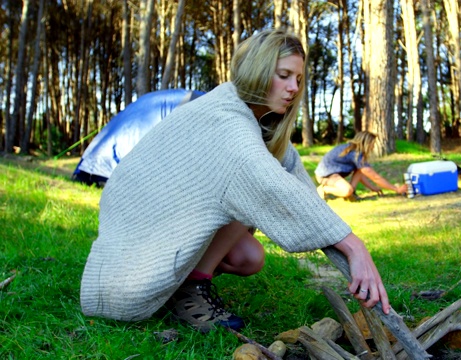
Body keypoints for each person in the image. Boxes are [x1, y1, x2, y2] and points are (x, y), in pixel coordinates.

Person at [80, 29, 390, 333]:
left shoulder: (258, 121)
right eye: (283, 75)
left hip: (165, 212)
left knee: (249, 258)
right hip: (145, 215)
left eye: (298, 78)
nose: (294, 87)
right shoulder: (227, 119)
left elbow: (299, 189)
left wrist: (335, 237)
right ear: (258, 70)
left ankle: (182, 282)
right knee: (245, 196)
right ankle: (191, 286)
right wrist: (353, 245)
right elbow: (268, 183)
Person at [315, 131, 408, 201]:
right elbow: (375, 177)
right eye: (372, 144)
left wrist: (373, 188)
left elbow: (362, 174)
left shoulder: (353, 150)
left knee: (359, 172)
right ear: (366, 143)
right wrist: (396, 189)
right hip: (325, 175)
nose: (373, 147)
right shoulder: (355, 154)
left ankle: (351, 194)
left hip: (333, 174)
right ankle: (324, 189)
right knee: (347, 190)